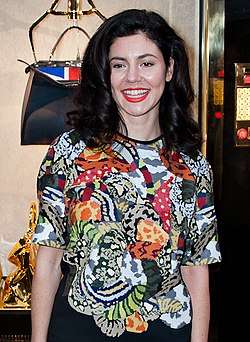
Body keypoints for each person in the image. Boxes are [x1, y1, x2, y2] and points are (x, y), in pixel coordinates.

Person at [31, 8, 221, 342]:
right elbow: (48, 261)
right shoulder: (68, 152)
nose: (133, 77)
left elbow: (196, 269)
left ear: (170, 68)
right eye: (119, 65)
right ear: (106, 74)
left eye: (147, 63)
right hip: (78, 331)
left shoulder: (192, 165)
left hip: (166, 332)